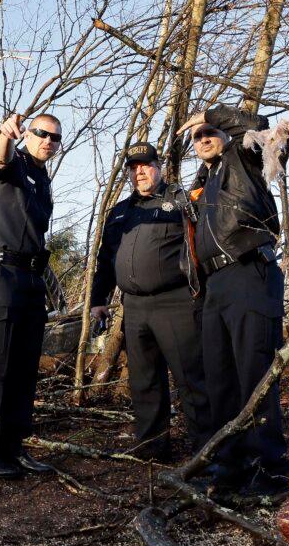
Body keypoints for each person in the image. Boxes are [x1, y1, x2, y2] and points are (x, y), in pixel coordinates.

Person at [179, 104, 289, 495]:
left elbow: (256, 124)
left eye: (210, 131)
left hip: (249, 273)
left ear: (224, 135)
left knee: (254, 375)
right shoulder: (202, 184)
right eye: (197, 135)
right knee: (220, 381)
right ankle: (230, 468)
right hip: (214, 286)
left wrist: (206, 113)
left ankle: (270, 471)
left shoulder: (243, 158)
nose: (204, 137)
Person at [88, 142, 214, 462]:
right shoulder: (119, 212)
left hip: (176, 302)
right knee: (143, 381)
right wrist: (98, 300)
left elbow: (204, 245)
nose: (139, 171)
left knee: (191, 378)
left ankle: (207, 450)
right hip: (133, 307)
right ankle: (152, 449)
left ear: (158, 166)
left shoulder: (180, 200)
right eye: (133, 167)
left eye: (145, 165)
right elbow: (106, 259)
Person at [0, 112, 61, 478]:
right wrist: (4, 134)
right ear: (27, 135)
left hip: (32, 276)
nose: (48, 141)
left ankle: (13, 447)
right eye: (41, 134)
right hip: (0, 273)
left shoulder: (42, 176)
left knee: (24, 365)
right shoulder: (15, 163)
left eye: (55, 138)